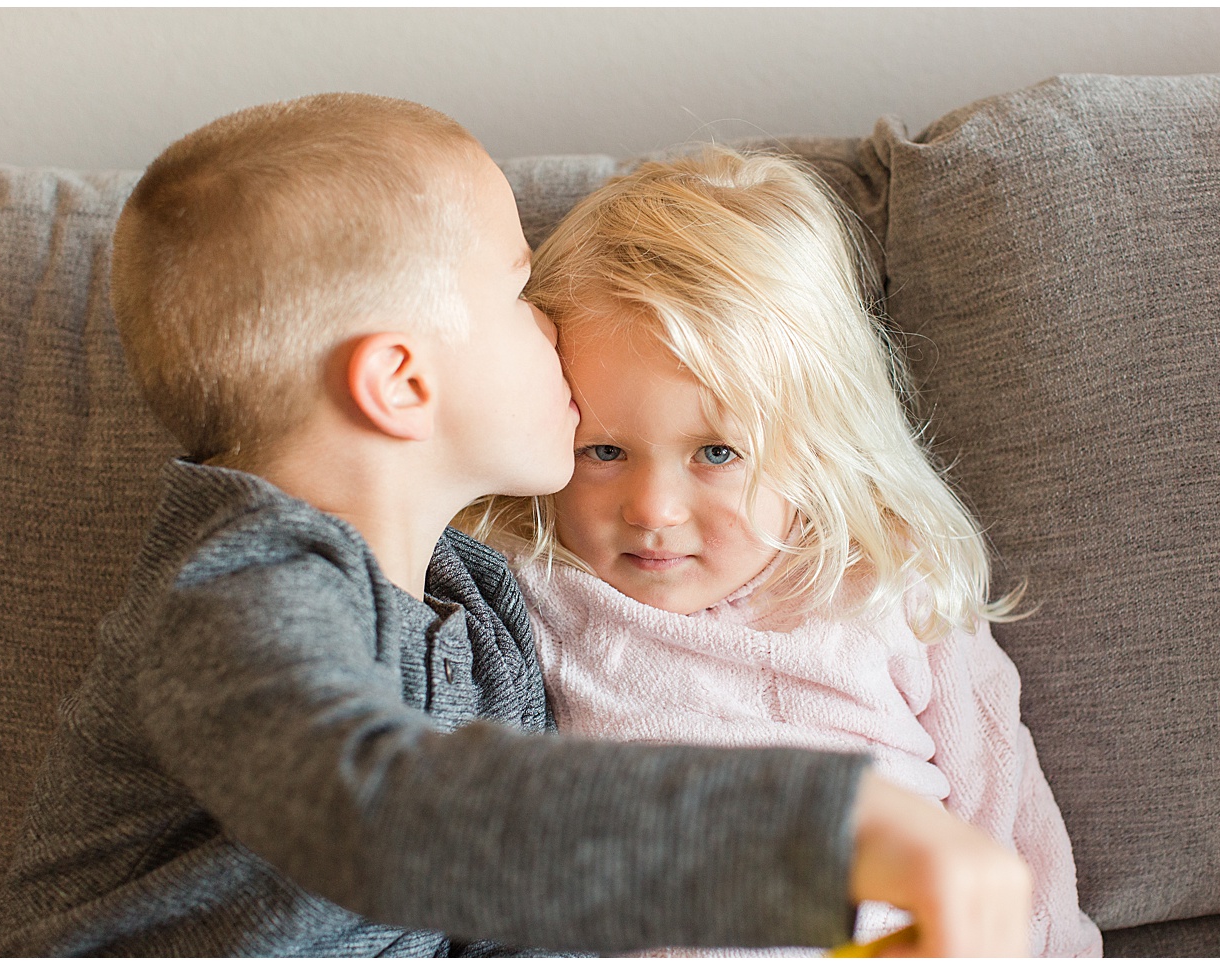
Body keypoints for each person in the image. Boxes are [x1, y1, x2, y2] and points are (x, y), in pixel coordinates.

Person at [0, 95, 1032, 957]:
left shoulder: (482, 602)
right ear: (400, 381)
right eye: (522, 293)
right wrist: (833, 829)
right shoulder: (234, 591)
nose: (554, 331)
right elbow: (373, 812)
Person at [459, 147, 1101, 957]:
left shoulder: (887, 582)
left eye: (717, 454)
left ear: (815, 445)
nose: (652, 510)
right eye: (604, 451)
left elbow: (1006, 817)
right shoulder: (526, 586)